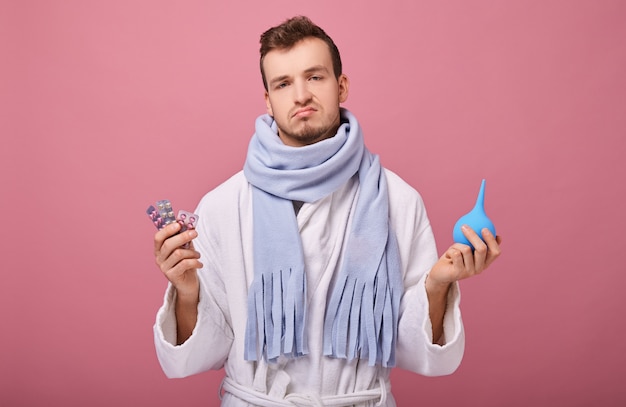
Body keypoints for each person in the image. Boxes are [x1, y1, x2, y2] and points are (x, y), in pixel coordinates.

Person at [152, 15, 501, 406]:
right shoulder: (223, 204)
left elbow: (413, 350)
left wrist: (436, 285)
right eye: (283, 84)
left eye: (314, 77)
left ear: (342, 85)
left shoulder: (397, 199)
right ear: (268, 99)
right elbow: (206, 351)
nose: (300, 95)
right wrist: (185, 291)